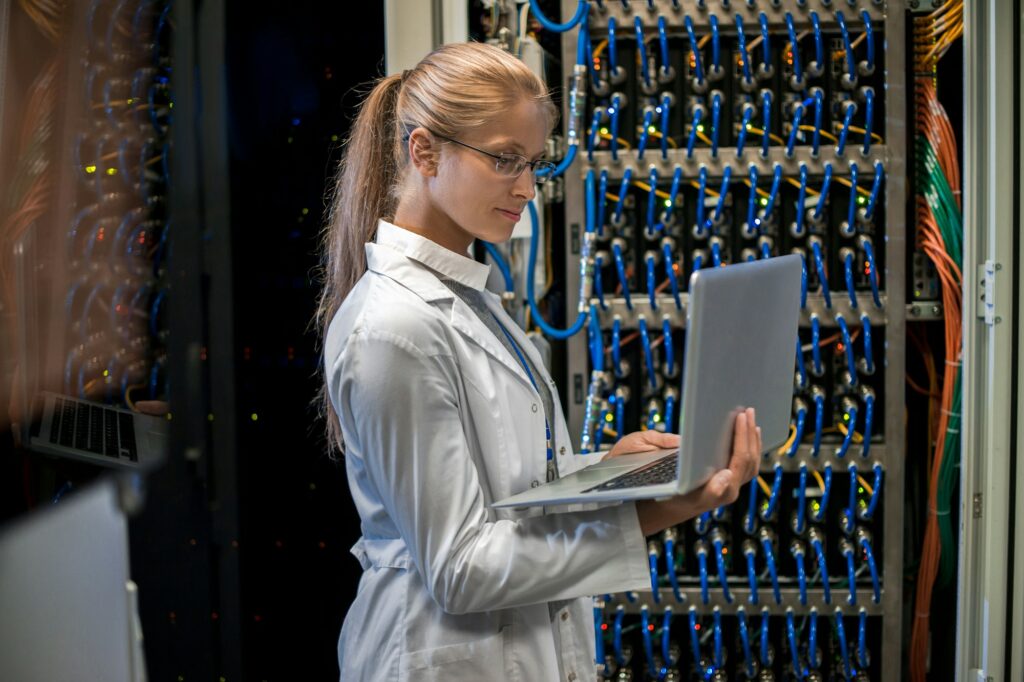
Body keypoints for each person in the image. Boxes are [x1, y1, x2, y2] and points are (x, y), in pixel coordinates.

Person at [315, 42, 761, 682]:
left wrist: (604, 473)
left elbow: (503, 490)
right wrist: (657, 510)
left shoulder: (468, 299)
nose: (527, 188)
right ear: (424, 152)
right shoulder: (396, 327)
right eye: (504, 160)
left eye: (533, 164)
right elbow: (459, 568)